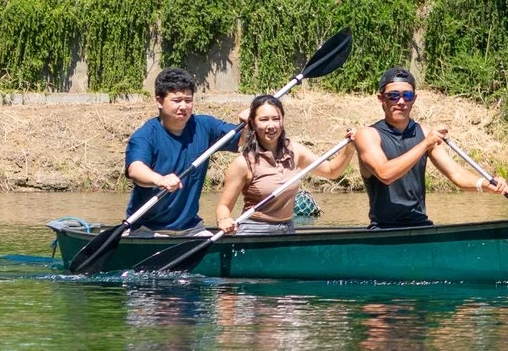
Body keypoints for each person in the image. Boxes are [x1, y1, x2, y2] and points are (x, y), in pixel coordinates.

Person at [348, 68, 508, 229]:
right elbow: (385, 173)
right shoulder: (367, 135)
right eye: (393, 95)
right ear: (381, 99)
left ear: (414, 99)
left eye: (407, 96)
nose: (401, 102)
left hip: (420, 226)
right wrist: (425, 144)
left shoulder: (424, 133)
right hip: (384, 229)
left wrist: (485, 184)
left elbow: (456, 174)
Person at [122, 68, 238, 233]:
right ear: (159, 101)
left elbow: (242, 138)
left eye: (188, 100)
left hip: (191, 229)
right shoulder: (145, 136)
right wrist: (159, 179)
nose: (184, 106)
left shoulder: (205, 126)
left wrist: (250, 120)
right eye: (177, 100)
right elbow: (135, 169)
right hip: (147, 229)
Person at [216, 93, 351, 234]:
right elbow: (223, 206)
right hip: (255, 231)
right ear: (253, 124)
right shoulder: (243, 163)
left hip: (287, 230)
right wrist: (224, 220)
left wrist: (350, 147)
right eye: (263, 120)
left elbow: (331, 171)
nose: (271, 125)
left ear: (282, 120)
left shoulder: (295, 151)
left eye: (276, 119)